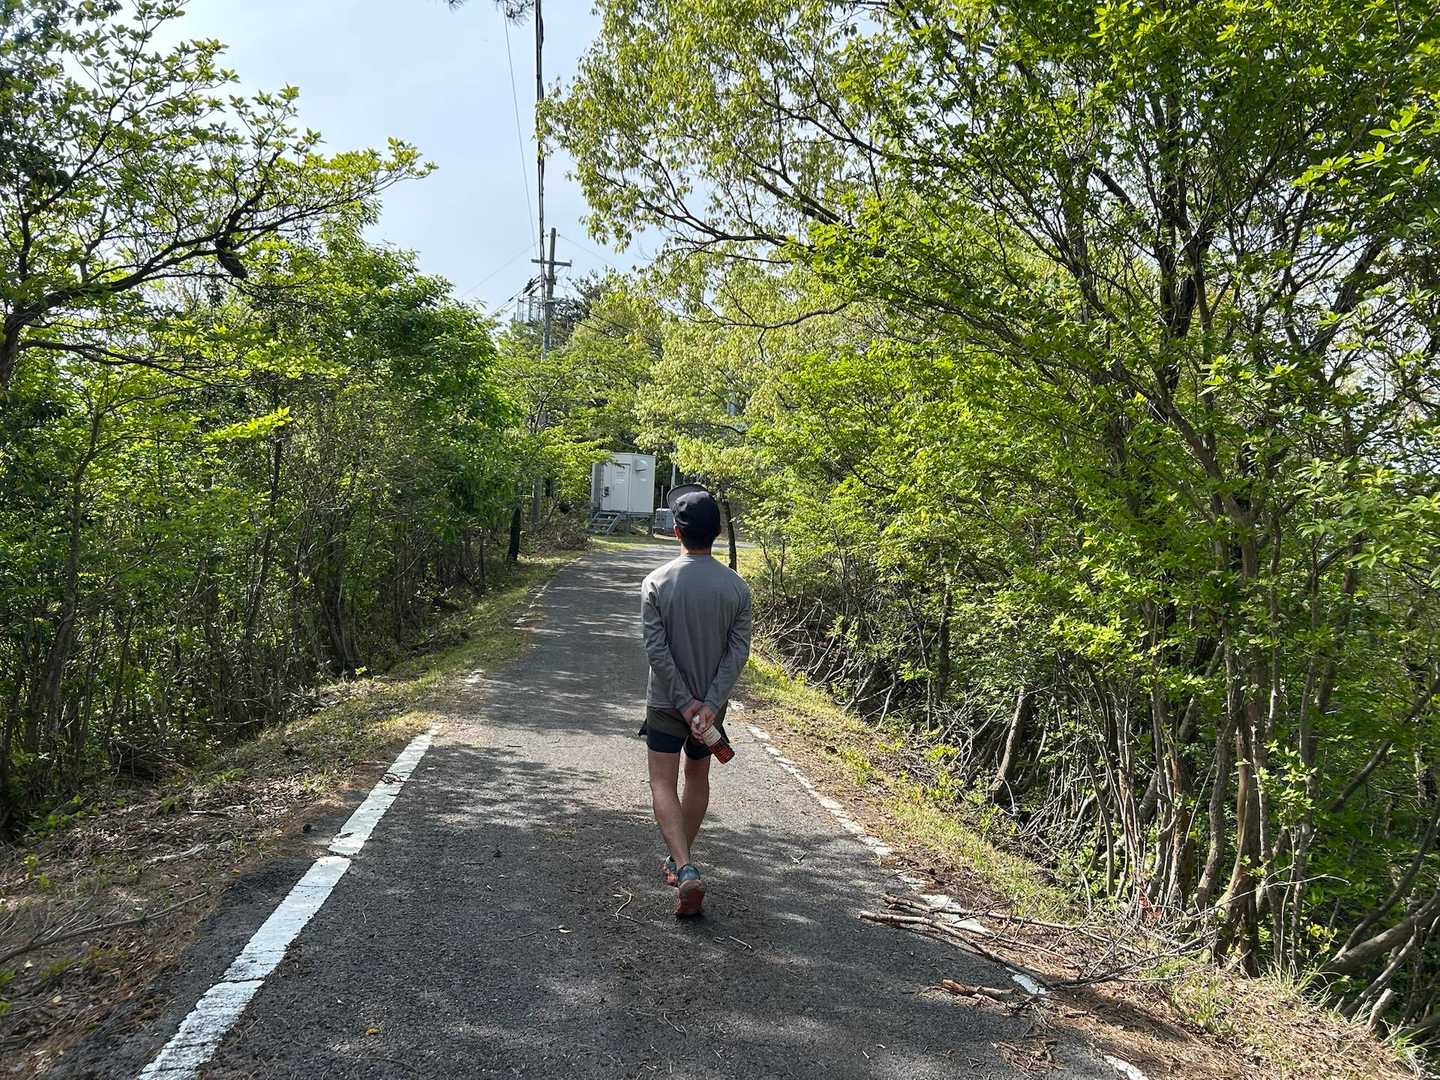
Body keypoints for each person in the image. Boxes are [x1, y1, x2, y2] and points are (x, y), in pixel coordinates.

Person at [639, 485, 752, 916]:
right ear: (717, 532)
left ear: (676, 532)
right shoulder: (737, 588)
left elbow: (656, 650)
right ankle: (679, 860)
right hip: (711, 709)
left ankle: (684, 866)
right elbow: (738, 652)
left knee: (662, 783)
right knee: (697, 778)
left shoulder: (656, 582)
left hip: (666, 703)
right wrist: (707, 703)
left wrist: (684, 702)